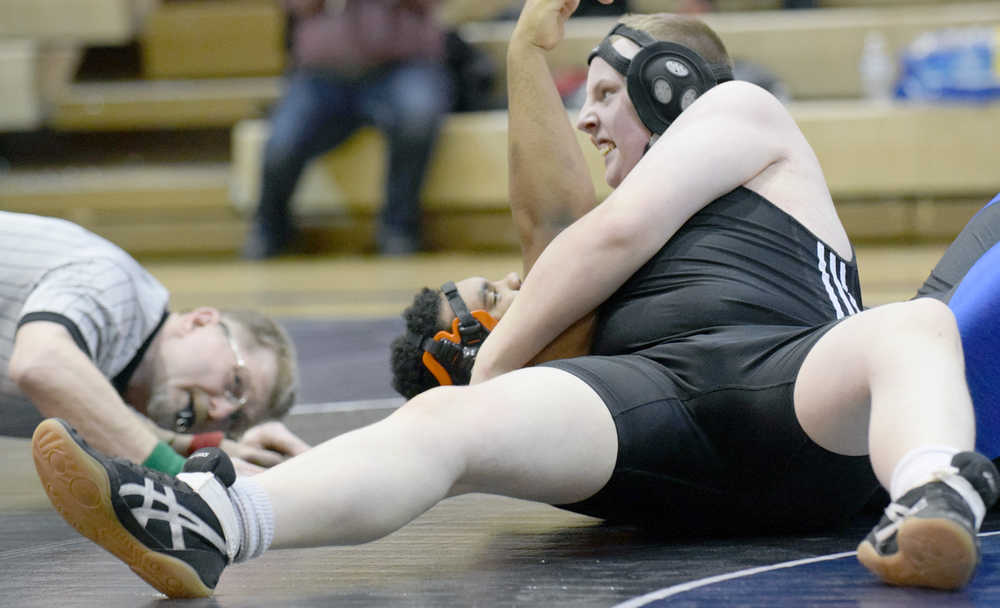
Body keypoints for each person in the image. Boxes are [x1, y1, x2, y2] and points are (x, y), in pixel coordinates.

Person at [32, 0, 999, 598]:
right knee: (446, 430)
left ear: (672, 89)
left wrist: (489, 368)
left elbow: (592, 236)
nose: (587, 119)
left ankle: (931, 494)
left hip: (792, 386)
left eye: (606, 95)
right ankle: (214, 524)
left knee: (907, 327)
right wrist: (478, 386)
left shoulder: (741, 117)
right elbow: (563, 225)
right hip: (664, 419)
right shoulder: (611, 231)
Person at [2, 211, 309, 476]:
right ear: (199, 321)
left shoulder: (110, 369)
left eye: (235, 419)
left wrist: (203, 448)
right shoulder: (111, 283)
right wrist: (179, 475)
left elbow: (90, 407)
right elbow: (41, 364)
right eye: (236, 383)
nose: (218, 413)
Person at [243, 0, 455, 258]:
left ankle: (399, 228)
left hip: (405, 66)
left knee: (417, 116)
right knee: (282, 141)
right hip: (320, 76)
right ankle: (270, 230)